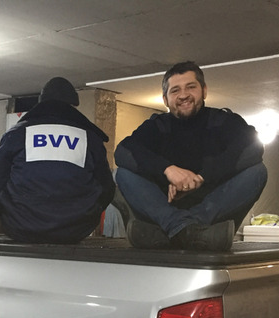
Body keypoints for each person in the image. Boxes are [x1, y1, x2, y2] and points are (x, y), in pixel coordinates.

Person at [115, 61, 268, 251]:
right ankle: (186, 230)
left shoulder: (224, 121)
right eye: (175, 90)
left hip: (211, 216)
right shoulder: (157, 126)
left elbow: (253, 148)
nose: (183, 95)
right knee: (122, 173)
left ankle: (180, 229)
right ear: (165, 99)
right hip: (165, 211)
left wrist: (201, 178)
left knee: (258, 172)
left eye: (191, 87)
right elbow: (123, 151)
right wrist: (168, 170)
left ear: (204, 91)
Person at [0, 77, 115, 243]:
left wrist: (6, 215)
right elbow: (107, 188)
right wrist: (88, 214)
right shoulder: (90, 138)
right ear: (73, 106)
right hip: (75, 230)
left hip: (21, 227)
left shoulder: (17, 134)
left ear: (41, 103)